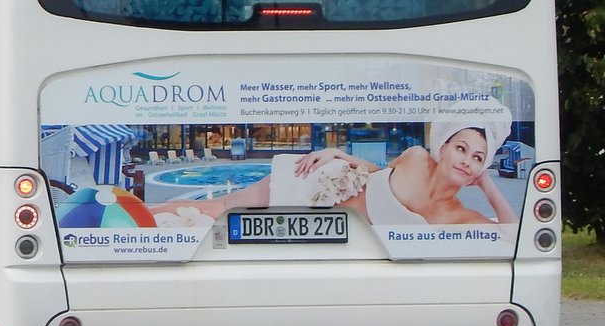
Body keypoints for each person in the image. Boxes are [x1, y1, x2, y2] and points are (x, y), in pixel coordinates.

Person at [152, 110, 518, 226]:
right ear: (444, 147)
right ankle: (142, 216)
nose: (466, 160)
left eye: (477, 158)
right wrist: (337, 153)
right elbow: (378, 173)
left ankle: (143, 217)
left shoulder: (459, 215)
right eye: (461, 148)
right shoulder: (417, 157)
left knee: (218, 216)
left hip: (325, 221)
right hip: (320, 182)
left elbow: (511, 232)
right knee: (222, 207)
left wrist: (487, 184)